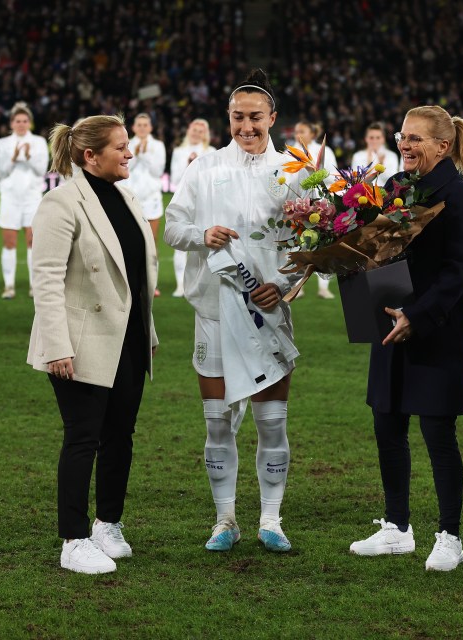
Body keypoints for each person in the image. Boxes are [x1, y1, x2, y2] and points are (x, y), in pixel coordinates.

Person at [165, 69, 303, 554]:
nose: (247, 126)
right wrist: (202, 236)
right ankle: (225, 520)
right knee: (217, 422)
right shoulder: (203, 167)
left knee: (272, 422)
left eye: (256, 117)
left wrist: (284, 285)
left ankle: (272, 519)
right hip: (215, 313)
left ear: (273, 118)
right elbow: (172, 227)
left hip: (269, 313)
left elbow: (313, 244)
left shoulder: (293, 170)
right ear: (228, 117)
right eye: (239, 117)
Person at [349, 105, 463, 572]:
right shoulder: (394, 188)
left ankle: (450, 536)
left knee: (437, 434)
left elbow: (458, 273)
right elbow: (376, 250)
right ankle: (396, 528)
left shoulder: (460, 197)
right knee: (387, 425)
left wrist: (417, 315)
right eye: (403, 136)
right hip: (389, 323)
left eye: (416, 139)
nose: (404, 144)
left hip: (434, 331)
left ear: (443, 147)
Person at [27, 115, 158, 575]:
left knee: (120, 436)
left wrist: (149, 334)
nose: (129, 153)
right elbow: (45, 282)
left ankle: (108, 523)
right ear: (90, 156)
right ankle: (73, 539)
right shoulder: (59, 203)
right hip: (78, 343)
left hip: (129, 340)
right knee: (82, 437)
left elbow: (137, 278)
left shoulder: (127, 197)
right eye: (120, 147)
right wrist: (57, 346)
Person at [0, 102, 49, 299]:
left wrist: (27, 156)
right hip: (9, 198)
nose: (21, 124)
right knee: (9, 242)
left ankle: (35, 285)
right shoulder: (2, 144)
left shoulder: (39, 142)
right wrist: (14, 158)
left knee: (33, 241)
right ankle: (9, 286)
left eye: (25, 121)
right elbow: (0, 172)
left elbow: (41, 170)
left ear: (30, 123)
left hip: (32, 198)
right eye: (17, 121)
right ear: (11, 123)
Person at [169, 118, 215, 297]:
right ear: (189, 131)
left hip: (205, 203)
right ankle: (180, 284)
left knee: (206, 241)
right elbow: (174, 179)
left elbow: (213, 180)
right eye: (194, 129)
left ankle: (203, 282)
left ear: (206, 134)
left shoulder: (211, 152)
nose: (196, 133)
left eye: (200, 130)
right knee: (180, 243)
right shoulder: (179, 152)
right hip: (183, 203)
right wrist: (188, 165)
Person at [292, 119, 337, 299]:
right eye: (296, 131)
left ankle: (323, 286)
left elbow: (331, 174)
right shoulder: (289, 151)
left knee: (325, 243)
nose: (298, 135)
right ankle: (297, 285)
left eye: (302, 131)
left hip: (321, 201)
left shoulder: (324, 150)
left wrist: (314, 172)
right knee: (297, 243)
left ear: (312, 133)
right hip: (297, 201)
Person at [126, 113, 166, 295]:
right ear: (133, 128)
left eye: (145, 125)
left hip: (151, 200)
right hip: (130, 198)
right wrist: (137, 154)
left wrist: (145, 155)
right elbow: (125, 168)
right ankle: (130, 282)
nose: (142, 128)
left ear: (150, 128)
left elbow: (157, 171)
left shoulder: (158, 146)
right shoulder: (126, 145)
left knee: (151, 242)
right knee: (130, 241)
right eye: (139, 125)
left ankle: (151, 283)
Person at [351, 122, 400, 186]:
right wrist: (368, 166)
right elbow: (355, 181)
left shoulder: (391, 156)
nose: (374, 141)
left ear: (383, 139)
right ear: (366, 139)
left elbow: (393, 180)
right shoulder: (358, 156)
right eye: (371, 137)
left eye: (378, 137)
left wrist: (381, 165)